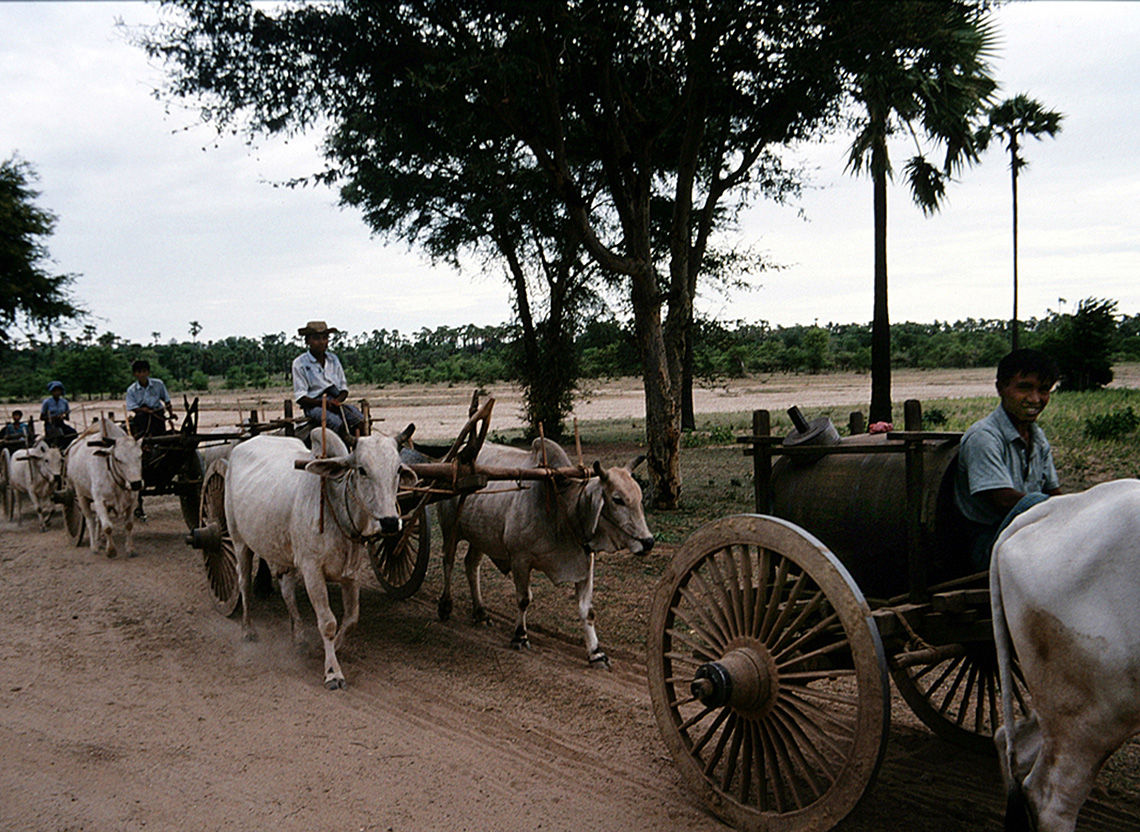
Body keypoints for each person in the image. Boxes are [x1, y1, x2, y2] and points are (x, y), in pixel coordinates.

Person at [953, 348, 1062, 570]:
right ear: (1001, 388)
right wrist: (1063, 509)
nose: (1035, 399)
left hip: (1026, 531)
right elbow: (1003, 500)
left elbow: (1053, 492)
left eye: (1043, 390)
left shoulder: (1037, 437)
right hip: (989, 543)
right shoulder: (984, 436)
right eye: (1024, 388)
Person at [292, 320, 365, 438]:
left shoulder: (333, 359)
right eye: (316, 338)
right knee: (336, 423)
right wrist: (324, 403)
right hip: (314, 405)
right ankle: (344, 451)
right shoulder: (299, 363)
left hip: (335, 400)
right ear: (307, 341)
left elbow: (343, 388)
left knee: (361, 420)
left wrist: (337, 400)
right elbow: (301, 398)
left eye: (324, 338)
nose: (321, 342)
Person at [126, 359, 175, 439]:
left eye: (144, 371)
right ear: (134, 374)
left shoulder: (159, 384)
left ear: (148, 372)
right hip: (142, 416)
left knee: (159, 424)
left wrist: (171, 414)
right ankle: (144, 439)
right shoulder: (131, 390)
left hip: (157, 413)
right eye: (139, 372)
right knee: (141, 418)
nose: (142, 374)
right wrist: (143, 410)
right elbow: (133, 407)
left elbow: (167, 401)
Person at [41, 380, 77, 446]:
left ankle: (66, 447)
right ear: (52, 392)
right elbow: (42, 417)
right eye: (55, 391)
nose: (57, 393)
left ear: (61, 392)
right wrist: (53, 417)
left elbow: (67, 416)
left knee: (73, 433)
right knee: (59, 434)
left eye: (58, 391)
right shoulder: (47, 402)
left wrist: (63, 417)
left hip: (60, 423)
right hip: (50, 425)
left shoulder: (64, 402)